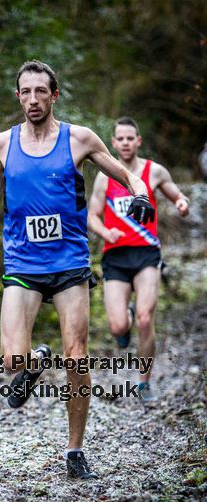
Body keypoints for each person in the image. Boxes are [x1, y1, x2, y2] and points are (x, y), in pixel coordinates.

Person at [0, 62, 153, 479]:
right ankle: (35, 362)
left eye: (40, 91)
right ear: (17, 97)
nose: (32, 99)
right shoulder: (3, 143)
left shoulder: (79, 138)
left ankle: (74, 449)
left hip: (69, 264)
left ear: (54, 95)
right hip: (23, 264)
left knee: (77, 358)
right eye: (25, 92)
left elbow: (123, 172)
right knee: (12, 358)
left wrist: (140, 194)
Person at [88, 116, 190, 403]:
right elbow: (92, 216)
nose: (125, 143)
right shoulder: (104, 176)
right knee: (118, 327)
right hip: (116, 257)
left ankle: (144, 382)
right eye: (119, 138)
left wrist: (182, 204)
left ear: (138, 140)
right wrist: (105, 232)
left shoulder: (153, 171)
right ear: (113, 142)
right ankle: (126, 315)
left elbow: (177, 196)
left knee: (146, 320)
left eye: (129, 138)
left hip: (146, 254)